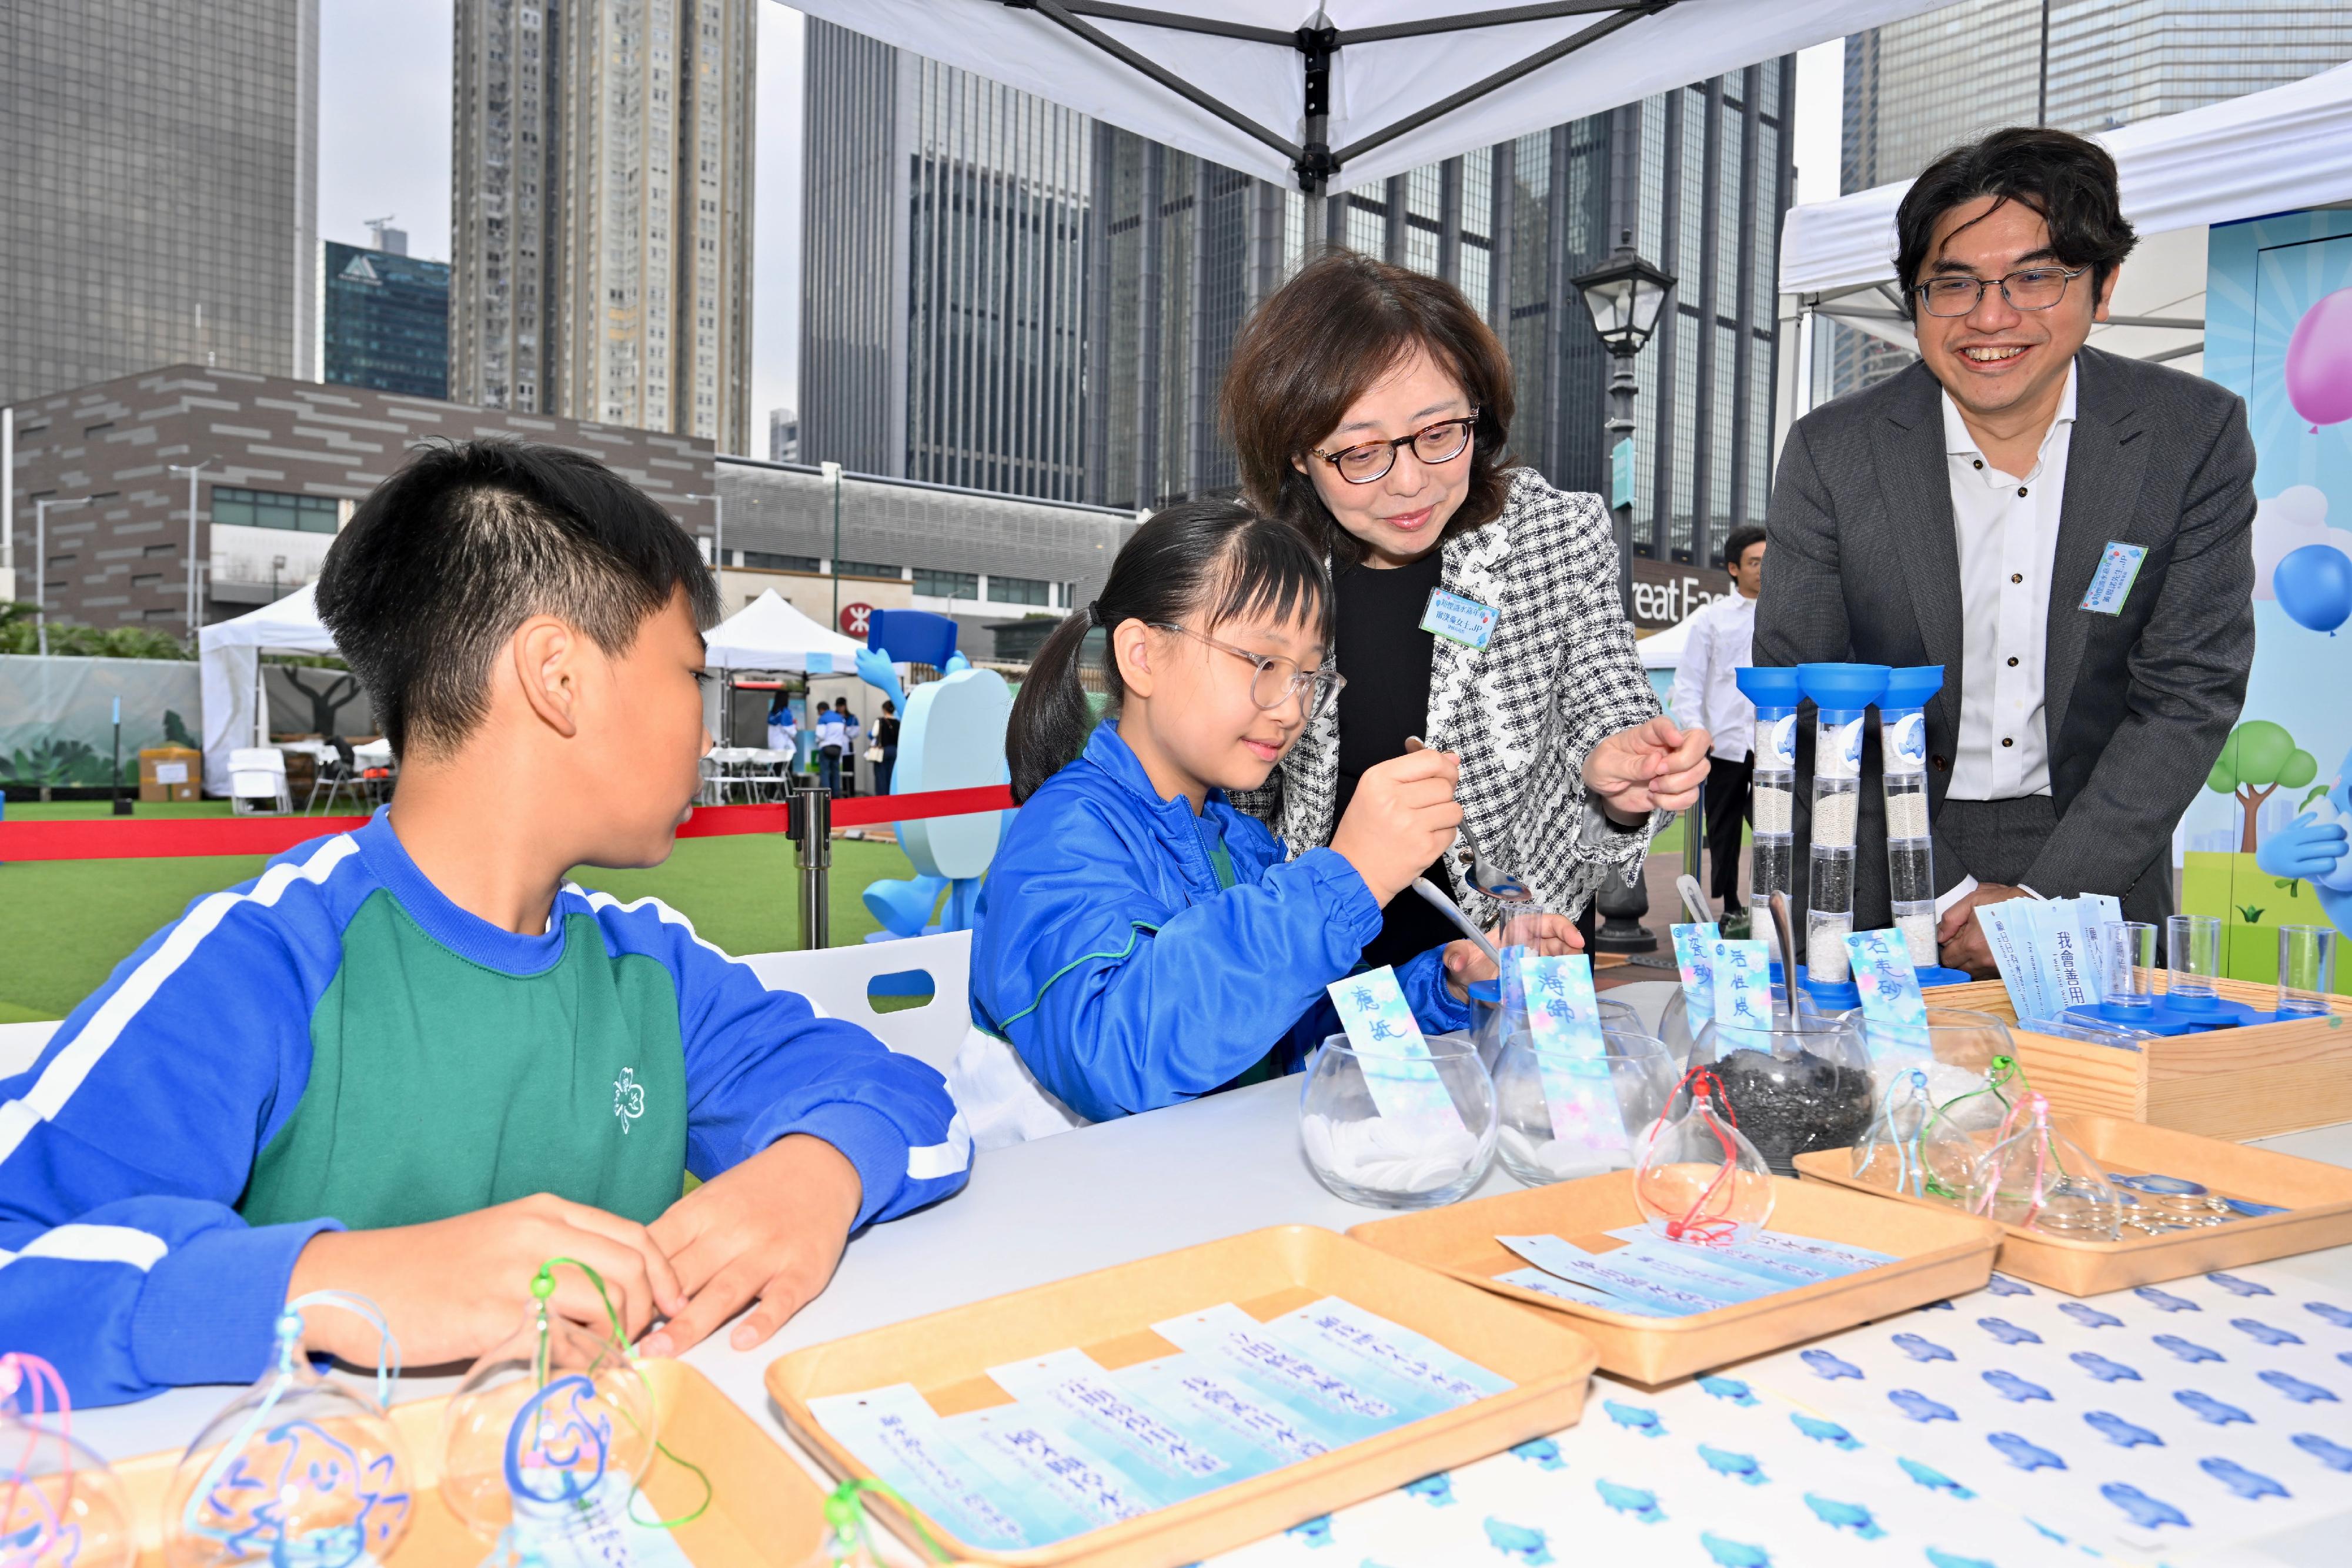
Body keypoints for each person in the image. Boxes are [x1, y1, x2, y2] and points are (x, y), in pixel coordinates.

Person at [0, 441, 971, 1403]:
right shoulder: (265, 965)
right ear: (558, 675)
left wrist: (820, 1168)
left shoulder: (650, 970)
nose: (710, 732)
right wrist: (335, 1284)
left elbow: (911, 1100)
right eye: (691, 676)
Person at [1757, 128, 2255, 973]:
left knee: (2101, 1103)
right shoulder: (1832, 450)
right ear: (1914, 299)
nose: (1992, 317)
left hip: (2099, 852)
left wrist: (2042, 900)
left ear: (2103, 288)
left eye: (2035, 277)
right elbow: (1803, 690)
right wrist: (1940, 890)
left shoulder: (2190, 434)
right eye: (1953, 283)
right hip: (1883, 851)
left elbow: (2187, 693)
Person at [969, 500, 1547, 1129]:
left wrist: (1445, 986)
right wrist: (1346, 878)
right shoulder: (1059, 838)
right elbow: (1111, 1057)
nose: (1291, 707)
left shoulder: (1241, 843)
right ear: (1142, 656)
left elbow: (1309, 1025)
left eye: (1308, 676)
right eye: (1263, 663)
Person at [1220, 252, 1709, 964]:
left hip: (1510, 937)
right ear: (1298, 452)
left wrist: (1623, 782)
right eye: (1360, 452)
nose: (1411, 483)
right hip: (1314, 931)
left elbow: (1609, 706)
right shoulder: (1261, 558)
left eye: (1439, 433)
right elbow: (1241, 788)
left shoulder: (1553, 533)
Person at [1667, 525, 1768, 934]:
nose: (1763, 569)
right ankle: (1730, 906)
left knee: (1772, 829)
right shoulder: (1711, 619)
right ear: (1733, 568)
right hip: (1724, 745)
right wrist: (1697, 731)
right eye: (1754, 562)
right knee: (1722, 832)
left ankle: (1770, 905)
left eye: (1768, 561)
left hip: (1771, 745)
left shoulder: (1787, 617)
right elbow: (1688, 683)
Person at [815, 699, 849, 795]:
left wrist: (817, 741)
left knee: (825, 772)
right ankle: (836, 795)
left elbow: (820, 735)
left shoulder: (823, 718)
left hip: (826, 747)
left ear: (821, 710)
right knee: (836, 772)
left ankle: (826, 795)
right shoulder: (840, 718)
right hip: (838, 747)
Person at [873, 699, 900, 796]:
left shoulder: (880, 721)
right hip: (895, 751)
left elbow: (874, 733)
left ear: (884, 709)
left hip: (883, 751)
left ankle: (882, 796)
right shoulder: (898, 722)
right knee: (892, 775)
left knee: (881, 776)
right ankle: (892, 794)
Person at [839, 704, 863, 797]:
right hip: (839, 750)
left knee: (850, 772)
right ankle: (843, 791)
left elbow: (856, 733)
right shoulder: (836, 717)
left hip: (849, 750)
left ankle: (851, 793)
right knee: (840, 773)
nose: (839, 708)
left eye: (841, 706)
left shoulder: (852, 718)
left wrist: (846, 729)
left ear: (844, 706)